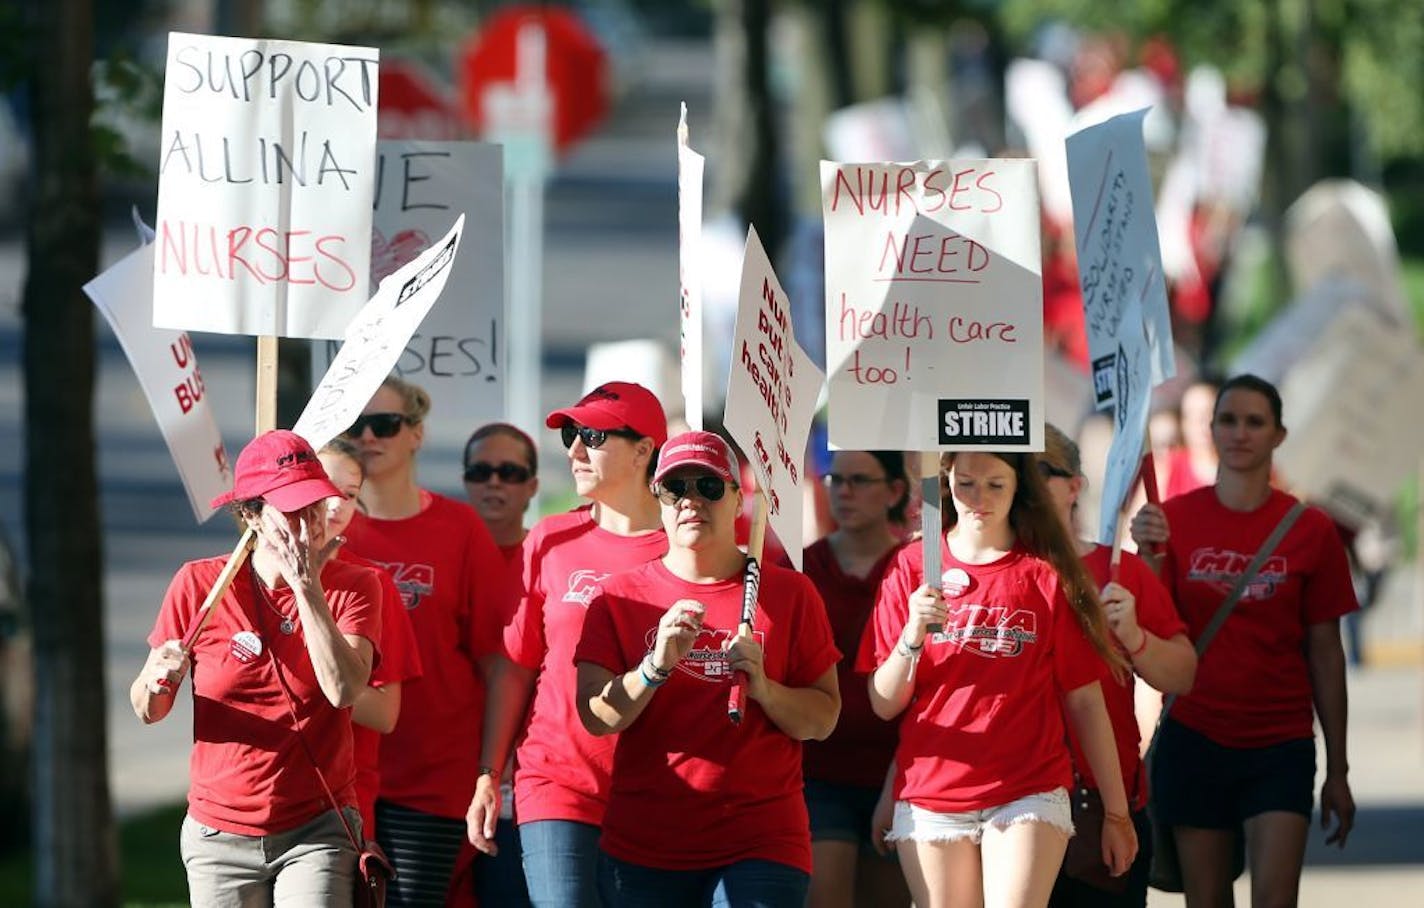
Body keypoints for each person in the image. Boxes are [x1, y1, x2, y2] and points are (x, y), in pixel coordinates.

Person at [859, 449, 1138, 908]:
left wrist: (1117, 813)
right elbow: (885, 703)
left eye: (996, 485)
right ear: (945, 480)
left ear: (1018, 489)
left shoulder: (1044, 573)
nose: (979, 498)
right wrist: (911, 633)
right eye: (966, 482)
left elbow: (1086, 702)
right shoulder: (911, 567)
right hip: (932, 792)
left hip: (1028, 789)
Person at [574, 430, 842, 907]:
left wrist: (765, 688)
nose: (691, 501)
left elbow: (823, 719)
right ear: (657, 500)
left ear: (738, 498)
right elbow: (596, 716)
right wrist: (654, 667)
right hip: (646, 846)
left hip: (763, 840)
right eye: (676, 489)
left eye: (709, 487)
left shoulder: (790, 594)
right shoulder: (618, 597)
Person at [1130, 374, 1357, 907]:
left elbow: (1327, 652)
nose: (1239, 433)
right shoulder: (1175, 520)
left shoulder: (1310, 529)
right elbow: (1151, 632)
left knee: (1275, 901)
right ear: (1210, 430)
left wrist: (1340, 769)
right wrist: (1147, 557)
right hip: (1195, 736)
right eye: (1228, 420)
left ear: (1279, 434)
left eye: (1255, 422)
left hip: (1281, 743)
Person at [130, 430, 380, 906]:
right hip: (217, 834)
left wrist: (308, 588)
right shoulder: (198, 583)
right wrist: (155, 680)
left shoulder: (357, 586)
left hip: (317, 827)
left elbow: (344, 690)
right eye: (291, 510)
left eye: (314, 505)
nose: (310, 523)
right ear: (251, 515)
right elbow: (148, 708)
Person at [466, 381, 670, 908]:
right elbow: (514, 666)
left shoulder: (686, 547)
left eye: (594, 437)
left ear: (644, 450)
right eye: (573, 436)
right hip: (555, 779)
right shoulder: (550, 540)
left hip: (659, 792)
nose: (576, 450)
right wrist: (489, 774)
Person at [340, 376, 515, 907]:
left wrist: (490, 768)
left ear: (415, 433)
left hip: (433, 775)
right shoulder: (327, 530)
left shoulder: (459, 528)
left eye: (386, 424)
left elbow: (497, 660)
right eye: (356, 426)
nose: (369, 437)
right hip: (340, 774)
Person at [1037, 425, 1196, 908]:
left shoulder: (1117, 571)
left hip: (1100, 814)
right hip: (1002, 811)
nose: (1023, 485)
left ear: (1074, 486)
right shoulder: (976, 572)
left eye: (1037, 472)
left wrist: (1134, 636)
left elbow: (1182, 674)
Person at [801, 450, 913, 908]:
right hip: (818, 770)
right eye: (836, 479)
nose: (844, 492)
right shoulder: (803, 568)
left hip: (898, 770)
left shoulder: (916, 570)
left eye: (860, 480)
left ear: (895, 491)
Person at [317, 439, 424, 840]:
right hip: (243, 805)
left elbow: (384, 713)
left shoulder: (370, 584)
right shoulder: (236, 576)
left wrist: (313, 669)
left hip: (337, 807)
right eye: (325, 487)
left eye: (350, 495)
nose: (336, 506)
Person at [463, 421, 540, 561]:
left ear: (532, 486)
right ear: (465, 481)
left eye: (509, 472)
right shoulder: (441, 556)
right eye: (480, 472)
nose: (494, 482)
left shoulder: (551, 561)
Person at [1162, 377, 1220, 500]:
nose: (1199, 423)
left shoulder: (1252, 471)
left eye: (1208, 412)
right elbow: (1135, 517)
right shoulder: (1165, 469)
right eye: (1191, 415)